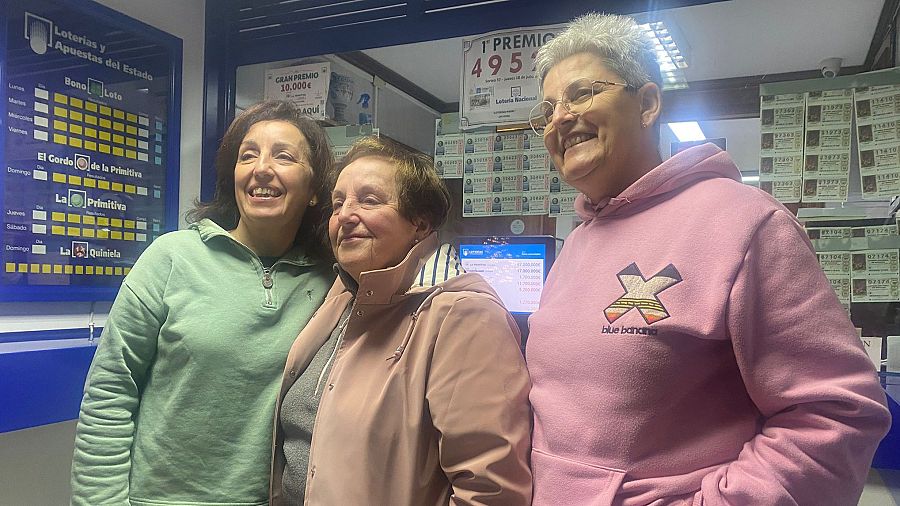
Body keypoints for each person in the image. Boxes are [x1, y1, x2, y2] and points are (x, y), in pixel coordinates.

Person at [526, 12, 891, 506]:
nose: (560, 118)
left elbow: (835, 413)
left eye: (582, 93)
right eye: (547, 109)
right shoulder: (578, 243)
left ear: (648, 103)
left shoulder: (746, 222)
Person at [71, 101, 336, 505]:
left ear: (315, 190)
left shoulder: (331, 284)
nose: (261, 168)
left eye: (283, 156)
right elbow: (110, 390)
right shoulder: (172, 258)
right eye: (248, 155)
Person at [270, 136, 532, 505]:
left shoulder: (463, 316)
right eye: (338, 203)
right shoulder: (341, 300)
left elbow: (491, 491)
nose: (345, 215)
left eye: (369, 200)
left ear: (420, 224)